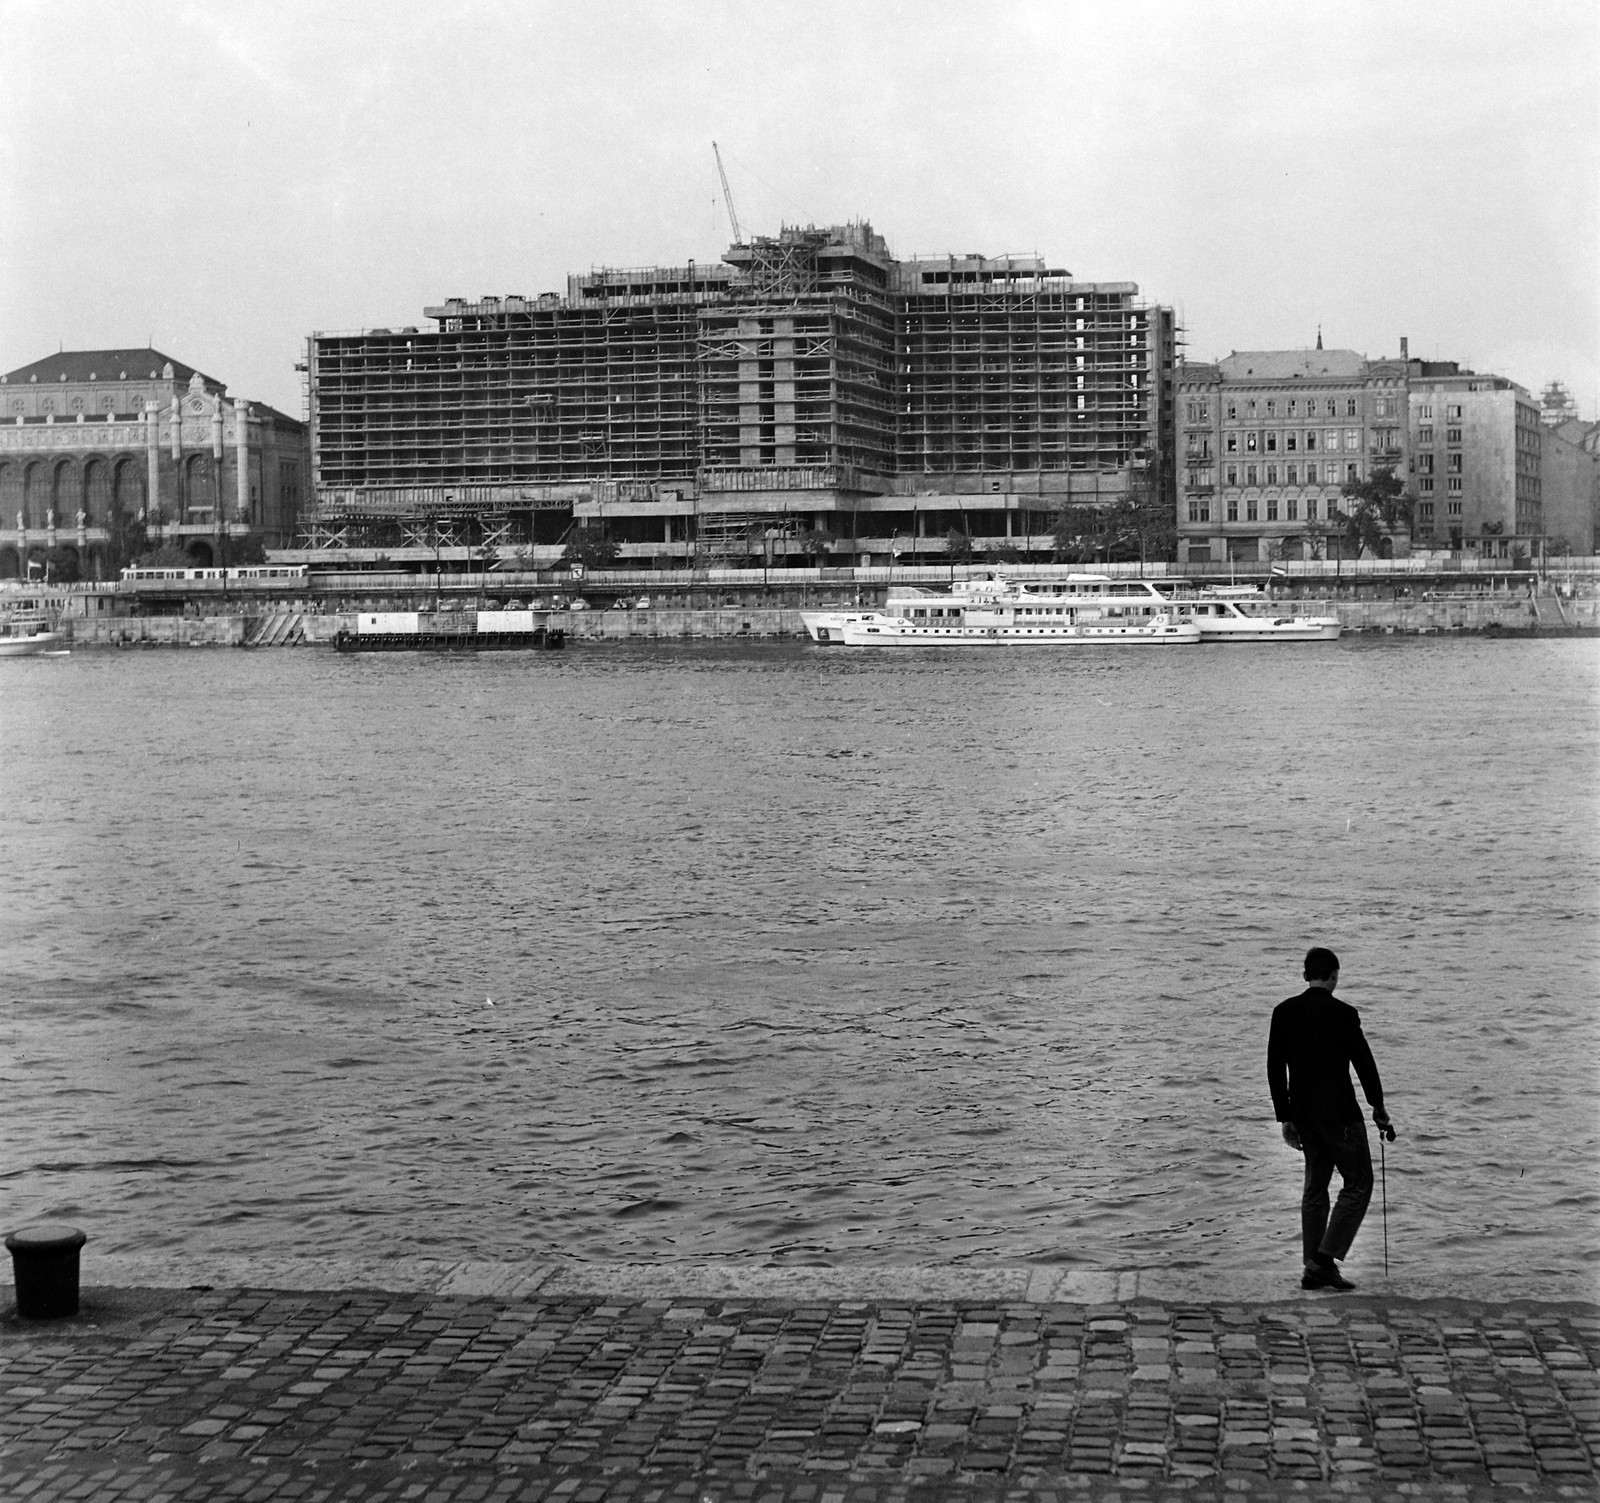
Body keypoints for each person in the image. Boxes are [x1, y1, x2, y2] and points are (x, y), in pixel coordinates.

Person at [1266, 947, 1396, 1290]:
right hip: (1340, 1114)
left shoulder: (1283, 1012)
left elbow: (1275, 1069)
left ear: (1304, 974)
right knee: (1358, 1183)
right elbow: (1363, 1063)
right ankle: (1324, 1261)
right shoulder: (1344, 1013)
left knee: (1315, 1187)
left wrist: (1285, 1117)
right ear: (1334, 975)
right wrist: (1378, 1106)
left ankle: (1312, 1266)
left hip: (1304, 1115)